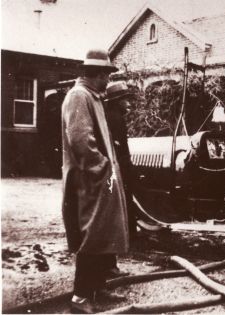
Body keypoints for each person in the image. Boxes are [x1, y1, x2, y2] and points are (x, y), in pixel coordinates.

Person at [61, 49, 129, 313]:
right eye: (106, 74)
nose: (107, 80)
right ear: (97, 74)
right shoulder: (79, 96)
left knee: (104, 233)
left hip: (101, 179)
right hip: (90, 179)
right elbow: (80, 138)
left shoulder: (92, 96)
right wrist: (101, 167)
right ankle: (80, 297)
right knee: (92, 236)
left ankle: (98, 288)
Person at [104, 81, 137, 249]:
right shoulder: (114, 118)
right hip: (119, 165)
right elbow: (119, 147)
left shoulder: (112, 116)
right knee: (124, 199)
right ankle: (129, 237)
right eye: (125, 100)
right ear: (117, 101)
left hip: (119, 164)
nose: (129, 104)